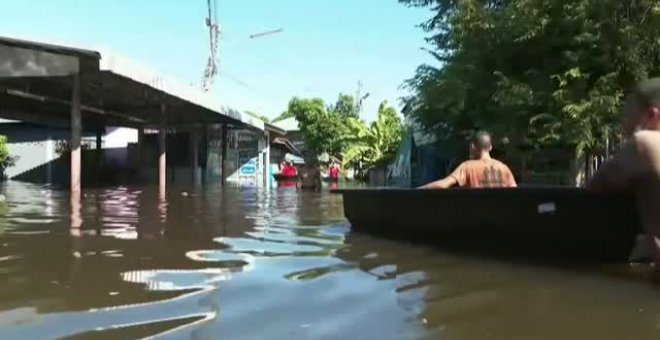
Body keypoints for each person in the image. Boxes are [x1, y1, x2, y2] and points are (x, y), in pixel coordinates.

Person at [588, 78, 660, 265]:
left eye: (629, 114)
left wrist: (634, 137)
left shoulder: (645, 142)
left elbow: (597, 185)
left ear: (652, 115)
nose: (624, 122)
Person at [418, 131, 517, 189]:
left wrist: (420, 189)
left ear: (472, 147)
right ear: (490, 147)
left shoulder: (467, 166)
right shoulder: (504, 168)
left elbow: (444, 184)